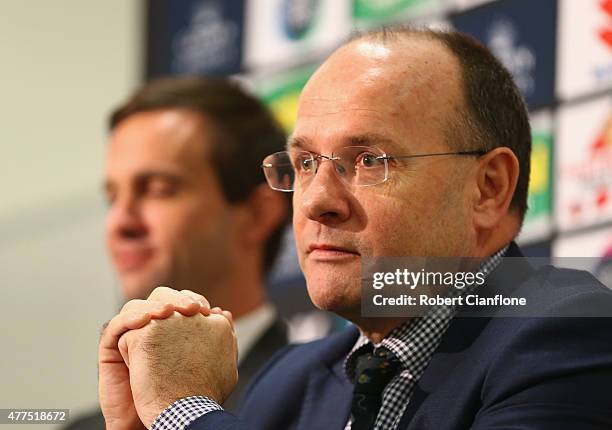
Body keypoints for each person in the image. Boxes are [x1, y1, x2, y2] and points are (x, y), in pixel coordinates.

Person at [98, 27, 612, 430]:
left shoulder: (570, 333)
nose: (317, 201)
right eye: (303, 164)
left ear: (488, 188)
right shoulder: (290, 384)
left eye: (368, 160)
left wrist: (183, 412)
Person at [68, 77, 290, 429]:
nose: (120, 223)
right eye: (112, 197)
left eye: (158, 190)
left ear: (258, 214)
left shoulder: (323, 403)